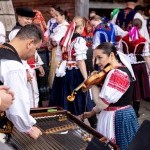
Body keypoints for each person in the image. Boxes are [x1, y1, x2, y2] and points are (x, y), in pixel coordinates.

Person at [81, 42, 139, 150]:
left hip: (118, 117)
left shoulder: (117, 74)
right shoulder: (113, 72)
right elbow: (106, 102)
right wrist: (92, 112)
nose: (97, 62)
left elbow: (102, 104)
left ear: (111, 55)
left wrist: (92, 84)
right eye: (95, 58)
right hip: (113, 114)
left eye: (100, 57)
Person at [0, 24, 43, 139]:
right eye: (36, 49)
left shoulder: (2, 48)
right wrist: (28, 128)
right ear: (30, 43)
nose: (34, 53)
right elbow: (16, 106)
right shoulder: (14, 66)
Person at [9, 7, 45, 108]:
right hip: (24, 67)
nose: (29, 21)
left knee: (33, 93)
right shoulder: (16, 33)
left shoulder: (26, 30)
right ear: (19, 17)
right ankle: (32, 115)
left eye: (30, 19)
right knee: (29, 94)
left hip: (31, 67)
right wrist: (25, 70)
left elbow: (34, 49)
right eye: (26, 19)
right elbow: (16, 52)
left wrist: (38, 64)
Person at [119, 18, 150, 117]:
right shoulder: (142, 40)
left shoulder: (123, 39)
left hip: (126, 65)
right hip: (139, 65)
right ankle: (135, 112)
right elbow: (146, 55)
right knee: (138, 88)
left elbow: (119, 53)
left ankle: (127, 109)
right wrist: (149, 67)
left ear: (131, 25)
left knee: (127, 86)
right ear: (140, 27)